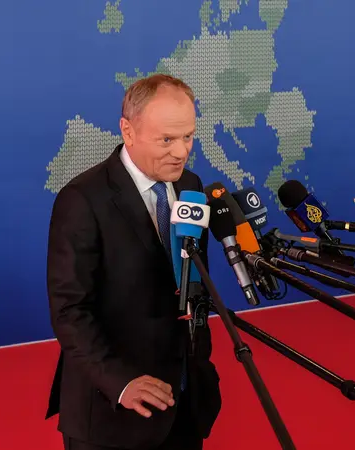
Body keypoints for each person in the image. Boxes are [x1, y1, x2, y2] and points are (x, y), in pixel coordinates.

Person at [45, 74, 222, 450]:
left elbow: (193, 284)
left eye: (188, 136)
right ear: (128, 130)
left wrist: (200, 365)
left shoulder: (190, 186)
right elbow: (70, 311)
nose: (181, 152)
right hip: (112, 415)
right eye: (167, 140)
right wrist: (121, 383)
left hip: (184, 403)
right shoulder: (83, 200)